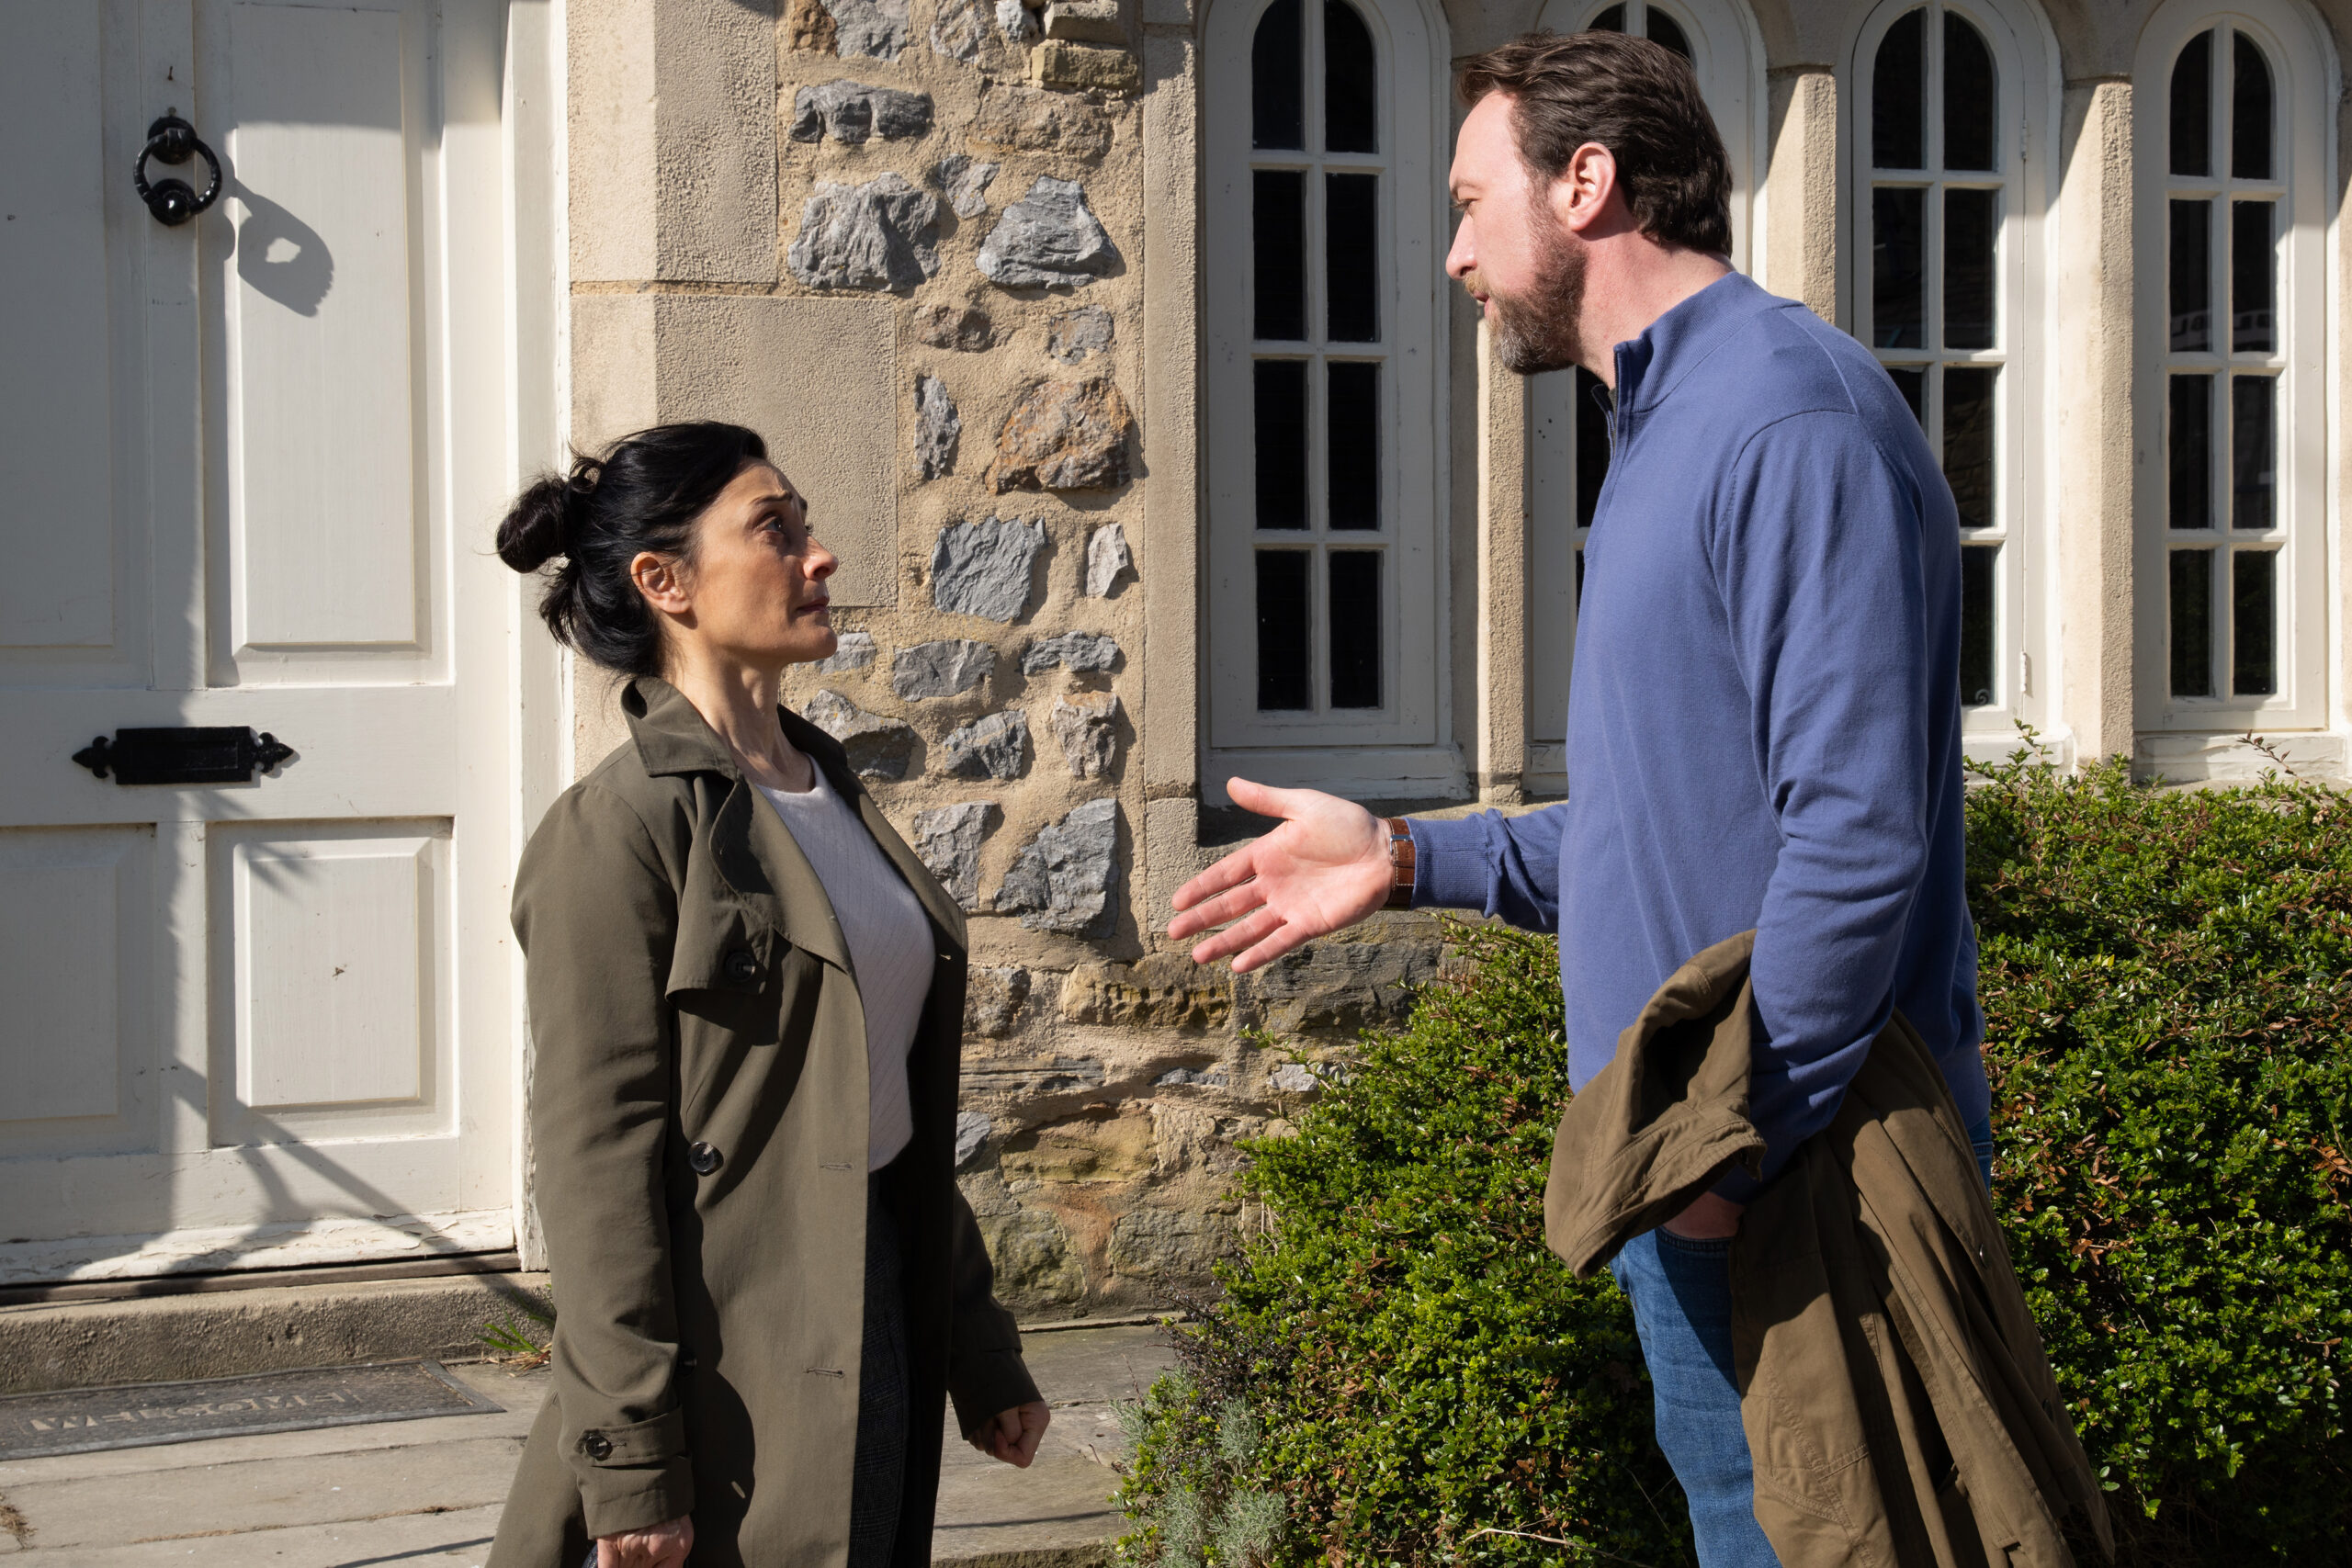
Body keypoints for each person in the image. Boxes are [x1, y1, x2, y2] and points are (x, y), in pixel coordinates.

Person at [1168, 32, 1984, 1568]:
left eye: (1477, 200)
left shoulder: (1789, 423)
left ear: (1588, 184)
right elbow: (1663, 833)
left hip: (1793, 1194)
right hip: (1709, 1184)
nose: (1460, 251)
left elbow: (1860, 845)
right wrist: (1410, 853)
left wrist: (1723, 1153)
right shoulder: (1666, 434)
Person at [486, 423, 1050, 1568]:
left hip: (874, 1325)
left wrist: (976, 1346)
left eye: (806, 527)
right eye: (775, 531)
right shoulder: (617, 832)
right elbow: (597, 1173)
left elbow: (877, 1113)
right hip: (721, 1378)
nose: (820, 555)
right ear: (665, 582)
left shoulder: (827, 788)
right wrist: (635, 1460)